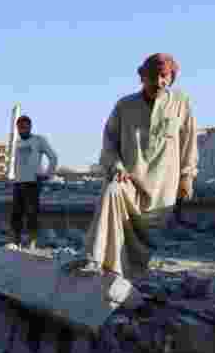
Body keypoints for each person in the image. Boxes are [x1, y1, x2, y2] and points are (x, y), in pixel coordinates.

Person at [72, 53, 198, 277]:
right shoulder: (125, 105)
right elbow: (109, 141)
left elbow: (189, 141)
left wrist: (187, 176)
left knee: (146, 241)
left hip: (162, 188)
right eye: (153, 76)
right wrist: (116, 165)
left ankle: (133, 272)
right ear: (142, 77)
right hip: (129, 180)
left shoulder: (181, 103)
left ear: (171, 78)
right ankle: (96, 260)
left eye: (164, 76)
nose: (158, 81)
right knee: (112, 191)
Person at [10, 115, 58, 250]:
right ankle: (16, 241)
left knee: (31, 214)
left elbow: (53, 157)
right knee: (16, 214)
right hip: (18, 182)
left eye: (24, 127)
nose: (22, 130)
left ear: (30, 127)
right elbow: (18, 163)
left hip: (32, 183)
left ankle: (32, 242)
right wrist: (15, 178)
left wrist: (47, 175)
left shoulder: (38, 140)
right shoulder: (18, 143)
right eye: (19, 127)